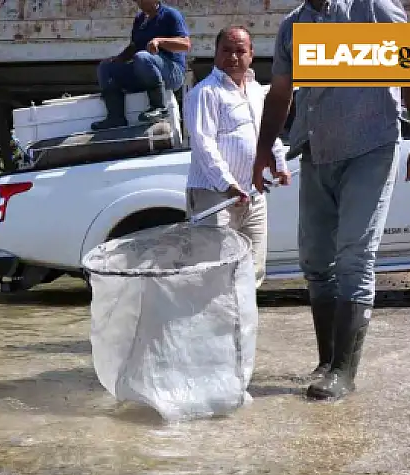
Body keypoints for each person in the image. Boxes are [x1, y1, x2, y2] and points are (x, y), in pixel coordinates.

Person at [252, 0, 410, 401]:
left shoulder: (375, 8)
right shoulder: (292, 26)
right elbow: (280, 93)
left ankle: (342, 372)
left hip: (371, 147)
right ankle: (327, 359)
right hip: (317, 150)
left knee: (354, 255)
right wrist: (264, 148)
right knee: (316, 260)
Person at [183, 25, 291, 288]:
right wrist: (228, 184)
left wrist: (279, 164)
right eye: (226, 51)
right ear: (216, 54)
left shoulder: (256, 90)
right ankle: (214, 329)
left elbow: (267, 132)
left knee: (252, 272)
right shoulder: (205, 93)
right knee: (214, 274)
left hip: (253, 195)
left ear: (251, 54)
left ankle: (244, 327)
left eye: (240, 51)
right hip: (215, 196)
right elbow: (203, 144)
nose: (233, 57)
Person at [90, 0, 191, 131]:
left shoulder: (171, 15)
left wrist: (159, 42)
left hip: (172, 72)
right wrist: (117, 59)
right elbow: (134, 47)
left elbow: (186, 44)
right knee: (105, 67)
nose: (139, 3)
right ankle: (116, 118)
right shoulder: (140, 19)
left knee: (142, 57)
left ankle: (159, 108)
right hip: (146, 70)